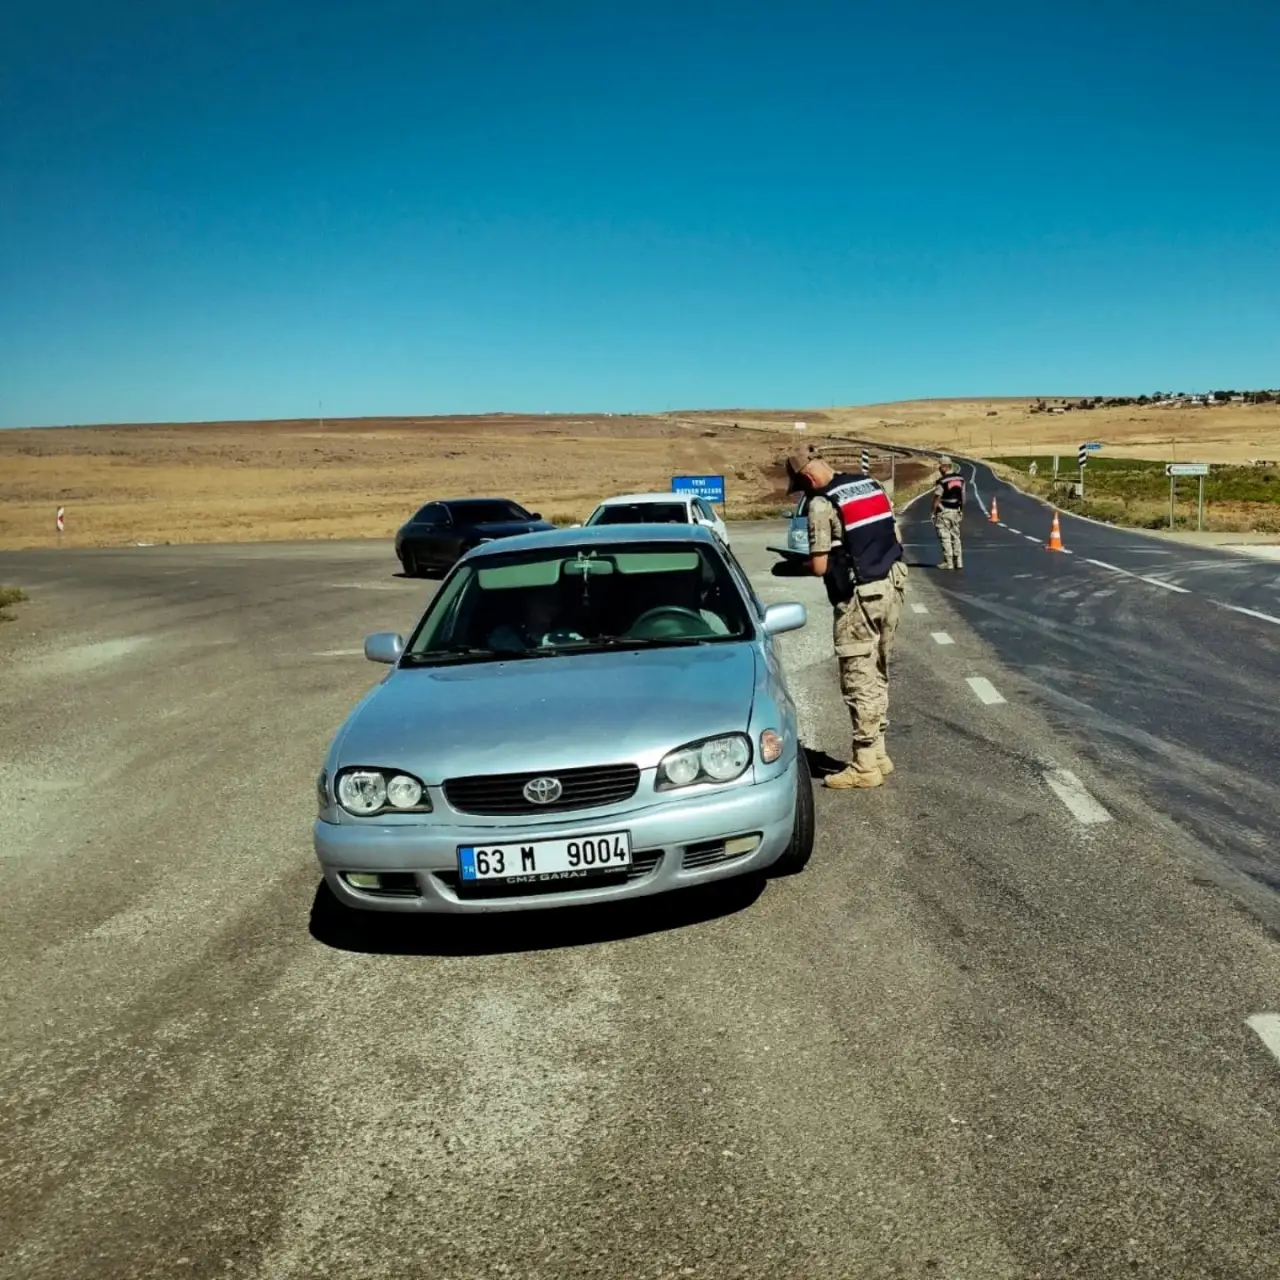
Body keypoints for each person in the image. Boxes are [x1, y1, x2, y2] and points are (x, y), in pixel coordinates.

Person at [786, 451, 908, 789]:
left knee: (858, 677)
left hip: (859, 598)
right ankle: (879, 753)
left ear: (808, 481)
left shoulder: (822, 504)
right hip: (892, 585)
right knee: (879, 672)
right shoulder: (870, 485)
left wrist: (794, 566)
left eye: (802, 489)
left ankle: (864, 765)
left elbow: (820, 566)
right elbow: (895, 538)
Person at [932, 456, 966, 570]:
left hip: (944, 511)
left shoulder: (942, 481)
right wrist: (961, 509)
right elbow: (963, 496)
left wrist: (933, 512)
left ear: (944, 467)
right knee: (956, 536)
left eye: (940, 466)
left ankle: (949, 562)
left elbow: (937, 498)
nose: (939, 469)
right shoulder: (960, 479)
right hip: (956, 511)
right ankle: (959, 561)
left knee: (945, 536)